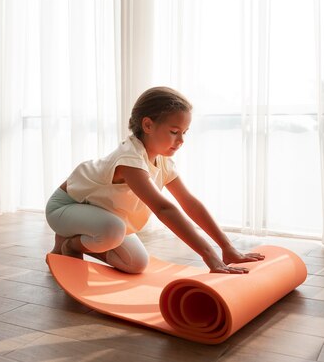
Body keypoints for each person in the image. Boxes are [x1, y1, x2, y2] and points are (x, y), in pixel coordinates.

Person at [45, 86, 264, 274]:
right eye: (174, 131)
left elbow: (189, 202)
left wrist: (227, 247)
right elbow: (163, 208)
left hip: (102, 214)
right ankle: (69, 243)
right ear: (148, 125)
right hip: (66, 207)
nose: (181, 140)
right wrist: (209, 256)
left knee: (136, 264)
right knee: (113, 230)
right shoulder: (129, 159)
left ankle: (79, 239)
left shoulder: (162, 160)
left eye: (185, 133)